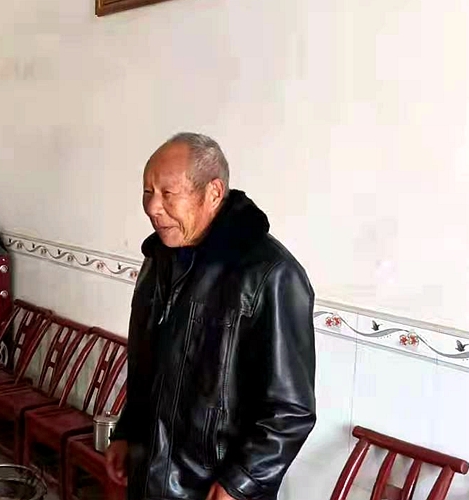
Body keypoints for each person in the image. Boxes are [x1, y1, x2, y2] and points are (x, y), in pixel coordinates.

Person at [105, 133, 317, 500]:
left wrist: (241, 481)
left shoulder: (270, 274)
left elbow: (290, 409)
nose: (153, 207)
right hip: (148, 477)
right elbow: (147, 371)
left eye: (168, 193)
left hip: (213, 488)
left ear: (213, 192)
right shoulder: (159, 261)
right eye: (147, 192)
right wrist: (127, 431)